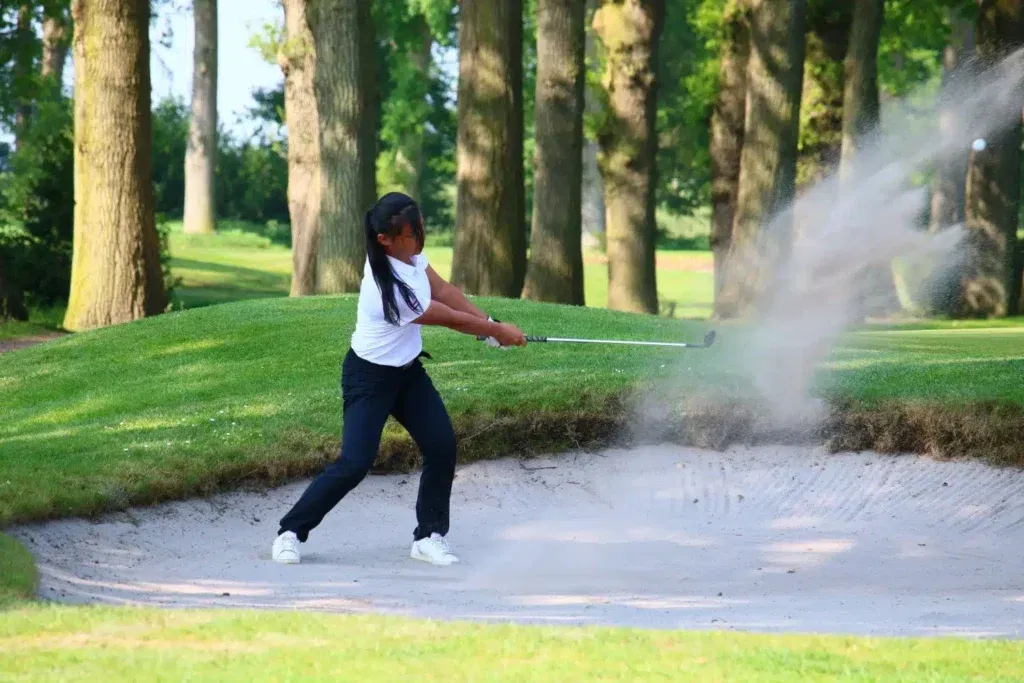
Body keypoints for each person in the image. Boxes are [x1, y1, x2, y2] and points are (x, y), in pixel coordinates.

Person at [272, 192, 527, 566]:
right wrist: (498, 330)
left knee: (441, 446)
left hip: (408, 375)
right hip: (369, 378)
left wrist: (490, 326)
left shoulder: (408, 255)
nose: (419, 239)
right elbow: (446, 316)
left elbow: (444, 290)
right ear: (385, 239)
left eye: (420, 229)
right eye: (412, 234)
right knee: (355, 463)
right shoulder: (385, 289)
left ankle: (429, 536)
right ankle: (290, 531)